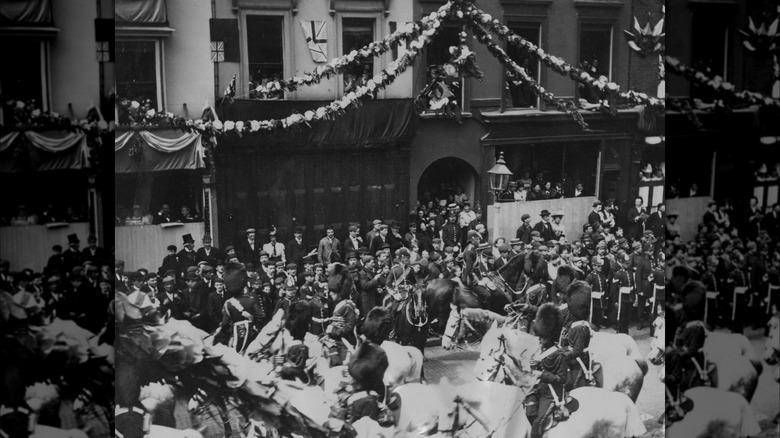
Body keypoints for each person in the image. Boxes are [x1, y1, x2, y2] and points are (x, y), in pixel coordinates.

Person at [525, 303, 570, 438]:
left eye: (542, 338)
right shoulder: (541, 350)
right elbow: (539, 369)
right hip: (538, 389)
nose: (539, 340)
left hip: (551, 394)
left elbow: (562, 379)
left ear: (550, 337)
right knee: (527, 411)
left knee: (538, 422)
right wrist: (534, 366)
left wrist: (542, 374)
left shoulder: (559, 355)